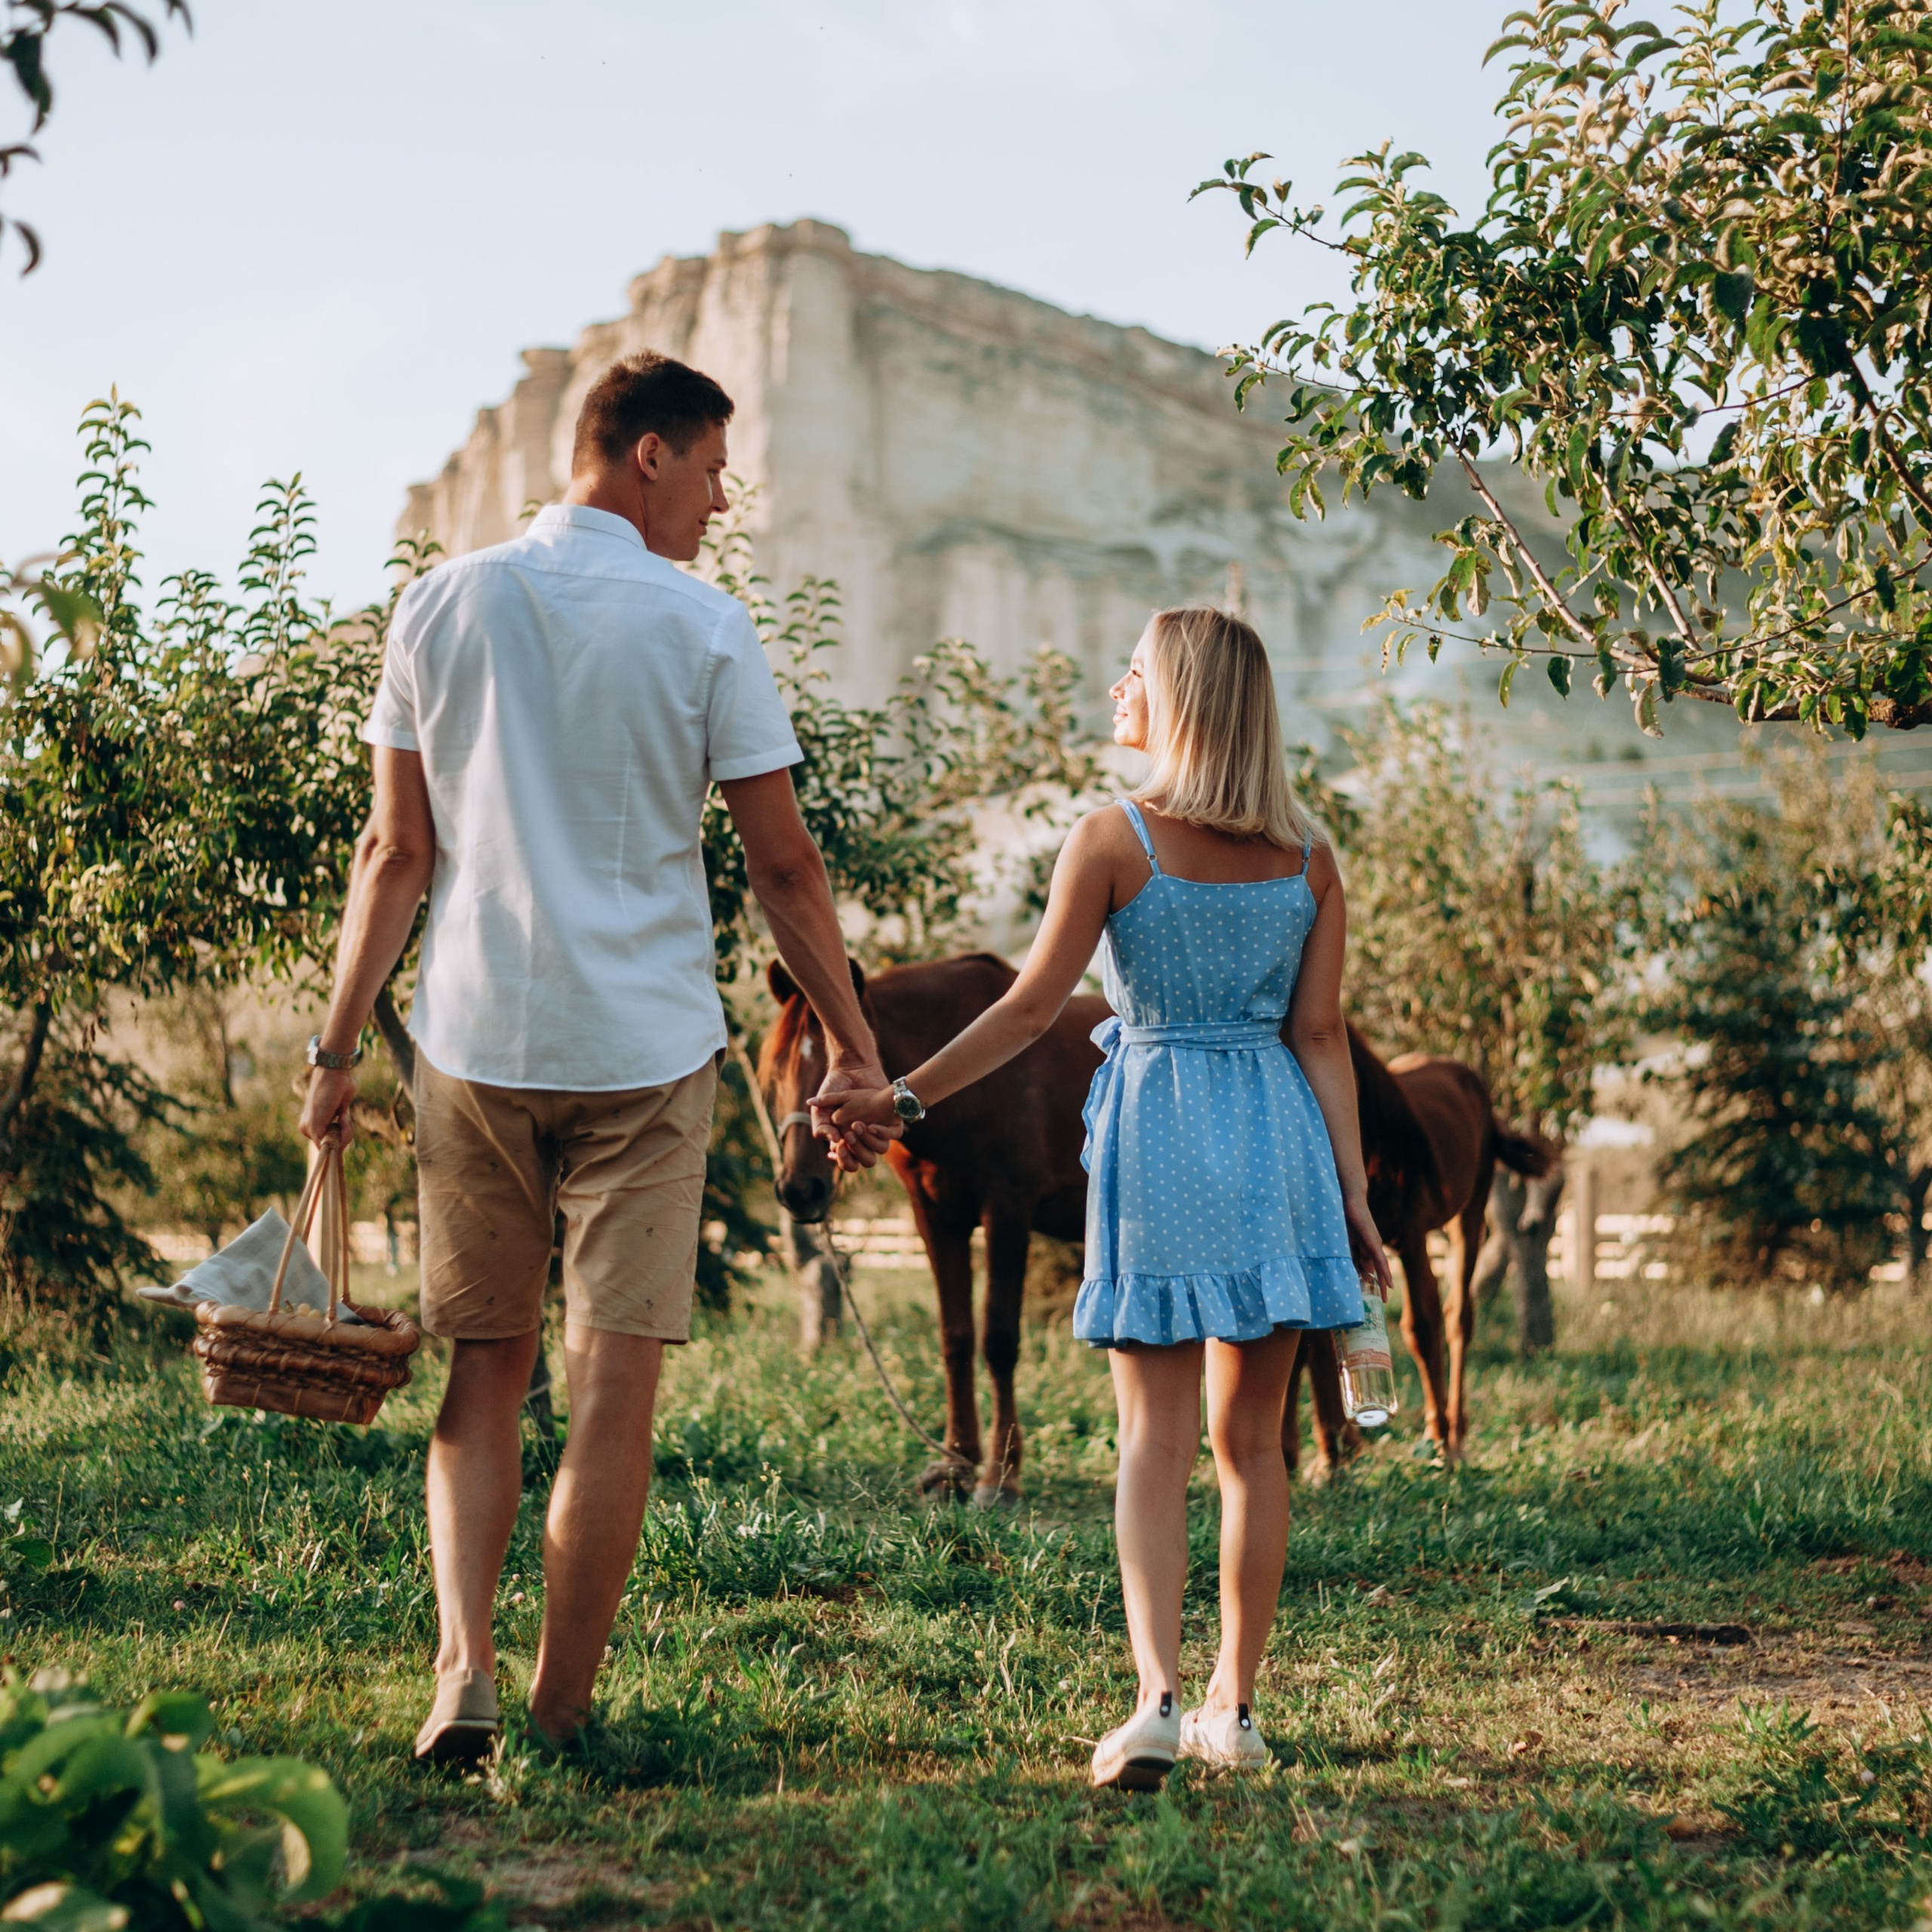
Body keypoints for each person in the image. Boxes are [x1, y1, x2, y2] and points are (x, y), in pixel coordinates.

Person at [299, 350, 893, 1764]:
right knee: (615, 1387)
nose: (719, 498)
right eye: (709, 470)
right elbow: (785, 870)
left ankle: (466, 1676)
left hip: (478, 1043)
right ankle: (562, 1712)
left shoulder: (440, 604)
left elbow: (395, 852)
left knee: (485, 1373)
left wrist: (334, 1049)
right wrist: (855, 1050)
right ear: (644, 457)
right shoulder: (703, 625)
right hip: (645, 1052)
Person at [828, 605, 1394, 1789]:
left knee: (1154, 1439)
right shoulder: (1310, 859)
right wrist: (1353, 1197)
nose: (1116, 689)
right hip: (1279, 1142)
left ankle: (1153, 1702)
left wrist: (906, 1101)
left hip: (1161, 1144)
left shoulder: (1114, 840)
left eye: (1134, 672)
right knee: (1255, 1448)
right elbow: (1324, 1035)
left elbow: (1032, 1008)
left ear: (1180, 697)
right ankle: (1235, 1713)